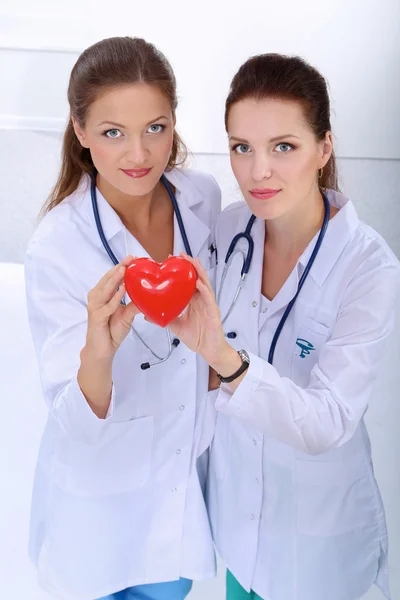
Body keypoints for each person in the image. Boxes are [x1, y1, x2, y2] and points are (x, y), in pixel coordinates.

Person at [167, 53, 400, 600]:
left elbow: (329, 421)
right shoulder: (231, 228)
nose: (257, 171)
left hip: (314, 545)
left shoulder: (368, 266)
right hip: (240, 530)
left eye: (283, 147)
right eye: (241, 147)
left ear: (324, 147)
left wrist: (224, 361)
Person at [25, 36, 221, 600]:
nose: (139, 155)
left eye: (155, 128)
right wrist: (99, 352)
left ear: (175, 122)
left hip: (177, 505)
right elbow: (75, 424)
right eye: (113, 133)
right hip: (97, 513)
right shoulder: (58, 246)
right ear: (81, 133)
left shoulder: (201, 199)